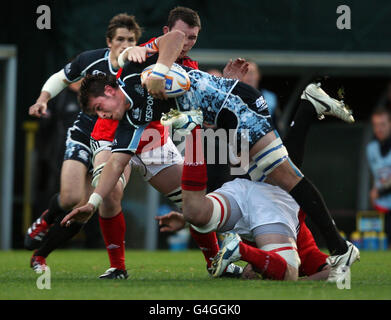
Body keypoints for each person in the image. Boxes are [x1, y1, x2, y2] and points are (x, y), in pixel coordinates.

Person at [61, 26, 359, 282]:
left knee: (285, 177)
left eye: (100, 107)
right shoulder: (130, 121)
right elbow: (116, 163)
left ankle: (339, 248)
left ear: (110, 91)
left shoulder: (134, 70)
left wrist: (158, 67)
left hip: (236, 105)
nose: (103, 115)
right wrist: (94, 201)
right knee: (265, 180)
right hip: (220, 122)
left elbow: (174, 37)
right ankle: (200, 132)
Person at [155, 99, 335, 281]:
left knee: (196, 213)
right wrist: (300, 283)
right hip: (275, 208)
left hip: (244, 192)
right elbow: (338, 272)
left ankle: (193, 130)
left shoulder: (266, 247)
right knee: (289, 274)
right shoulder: (307, 254)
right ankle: (306, 108)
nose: (250, 274)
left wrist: (186, 220)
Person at [25, 13, 141, 279]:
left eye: (131, 39)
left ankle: (40, 255)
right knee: (68, 197)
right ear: (109, 41)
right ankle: (45, 219)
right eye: (120, 39)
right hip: (84, 133)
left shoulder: (141, 64)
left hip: (116, 141)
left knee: (89, 206)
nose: (126, 44)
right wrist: (43, 99)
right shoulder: (91, 60)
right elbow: (60, 78)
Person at [367, 106, 391, 246]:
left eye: (383, 124)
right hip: (380, 205)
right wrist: (374, 192)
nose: (379, 129)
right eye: (376, 125)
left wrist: (380, 191)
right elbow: (375, 176)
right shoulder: (371, 149)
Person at [241, 61, 281, 131]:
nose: (249, 77)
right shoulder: (234, 97)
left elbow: (277, 124)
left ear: (258, 75)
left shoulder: (270, 98)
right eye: (246, 72)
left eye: (252, 73)